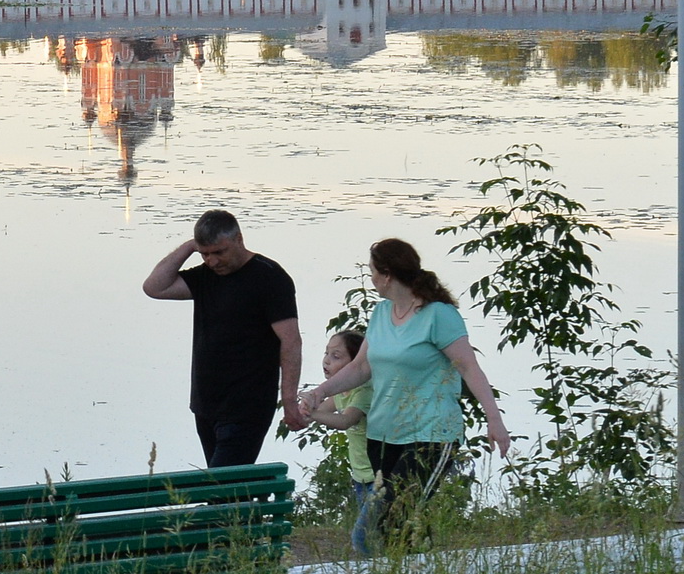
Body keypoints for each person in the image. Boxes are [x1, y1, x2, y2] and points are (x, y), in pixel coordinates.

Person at [300, 238, 510, 551]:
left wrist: (495, 420)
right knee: (401, 529)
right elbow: (360, 368)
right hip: (384, 436)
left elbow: (469, 368)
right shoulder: (382, 313)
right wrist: (319, 393)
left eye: (372, 272)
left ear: (387, 275)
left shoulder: (439, 315)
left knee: (372, 530)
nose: (371, 279)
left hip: (430, 435)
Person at [143, 209, 306, 467]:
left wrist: (289, 400)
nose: (213, 261)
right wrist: (189, 247)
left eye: (219, 252)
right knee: (227, 491)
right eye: (206, 254)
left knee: (220, 488)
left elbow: (291, 341)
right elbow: (154, 287)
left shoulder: (270, 277)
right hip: (206, 404)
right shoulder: (206, 276)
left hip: (247, 406)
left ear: (239, 239)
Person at [302, 330, 374, 518]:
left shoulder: (364, 391)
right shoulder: (340, 393)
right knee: (373, 534)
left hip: (378, 475)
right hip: (360, 476)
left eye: (335, 356)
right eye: (326, 353)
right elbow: (319, 413)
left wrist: (312, 413)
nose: (326, 361)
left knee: (371, 531)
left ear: (355, 364)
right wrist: (302, 410)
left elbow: (345, 421)